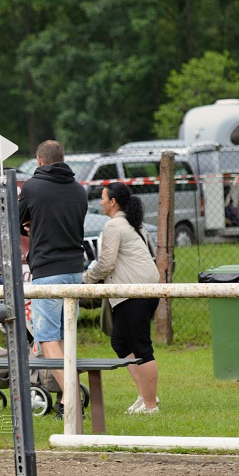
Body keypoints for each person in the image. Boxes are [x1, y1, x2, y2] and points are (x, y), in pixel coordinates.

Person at [17, 140, 88, 416]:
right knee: (66, 337)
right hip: (75, 271)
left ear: (39, 160)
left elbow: (16, 220)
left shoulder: (32, 187)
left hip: (48, 271)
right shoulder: (79, 190)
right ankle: (66, 399)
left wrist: (31, 226)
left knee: (47, 339)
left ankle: (71, 399)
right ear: (63, 158)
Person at [83, 182, 161, 414]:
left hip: (134, 293)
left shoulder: (114, 225)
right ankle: (146, 394)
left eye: (103, 198)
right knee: (120, 342)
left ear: (113, 201)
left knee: (141, 348)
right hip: (143, 291)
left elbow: (106, 263)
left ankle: (150, 405)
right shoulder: (134, 223)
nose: (101, 202)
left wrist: (87, 278)